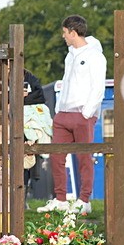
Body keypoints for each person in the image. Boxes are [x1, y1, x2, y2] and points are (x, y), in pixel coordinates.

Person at [38, 15, 106, 214]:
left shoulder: (95, 56)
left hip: (82, 114)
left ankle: (84, 200)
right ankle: (60, 199)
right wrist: (59, 110)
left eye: (65, 32)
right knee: (56, 157)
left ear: (73, 32)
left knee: (84, 158)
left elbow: (98, 87)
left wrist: (86, 112)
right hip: (63, 114)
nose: (63, 36)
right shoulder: (70, 55)